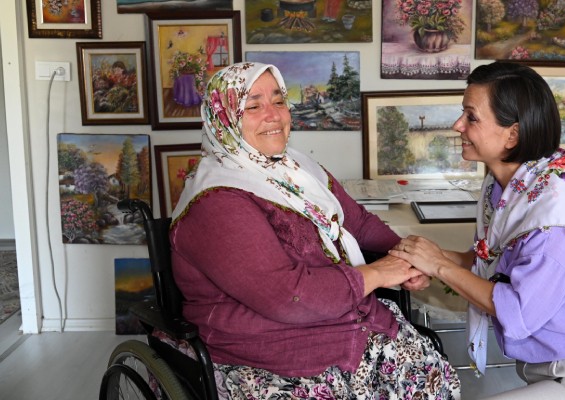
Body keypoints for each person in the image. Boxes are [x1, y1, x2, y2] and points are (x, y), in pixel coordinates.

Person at [169, 62, 460, 399]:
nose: (273, 115)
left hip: (348, 321)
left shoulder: (296, 168)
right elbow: (286, 298)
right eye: (253, 106)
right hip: (273, 350)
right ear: (223, 119)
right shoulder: (215, 201)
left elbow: (358, 222)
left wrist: (408, 259)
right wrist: (380, 273)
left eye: (279, 101)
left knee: (431, 381)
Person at [390, 62, 565, 399]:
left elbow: (517, 311)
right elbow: (490, 261)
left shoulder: (558, 213)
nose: (458, 125)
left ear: (512, 135)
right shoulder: (506, 186)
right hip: (556, 364)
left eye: (471, 117)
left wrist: (439, 265)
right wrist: (430, 259)